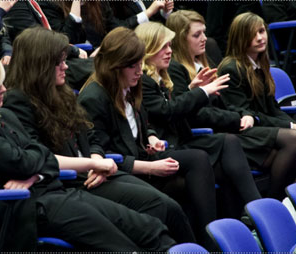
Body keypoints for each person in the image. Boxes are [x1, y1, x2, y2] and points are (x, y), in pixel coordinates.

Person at [0, 46, 178, 251]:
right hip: (25, 208)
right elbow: (23, 160)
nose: (4, 89)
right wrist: (34, 168)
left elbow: (36, 152)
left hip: (53, 194)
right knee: (122, 245)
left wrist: (33, 174)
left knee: (148, 228)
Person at [2, 26, 194, 244]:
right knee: (158, 210)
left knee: (168, 208)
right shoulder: (18, 102)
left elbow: (90, 135)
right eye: (59, 62)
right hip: (70, 183)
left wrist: (96, 158)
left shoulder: (60, 92)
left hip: (94, 174)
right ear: (40, 64)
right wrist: (92, 164)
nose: (66, 66)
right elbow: (39, 156)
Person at [79, 26, 225, 251]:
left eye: (140, 63)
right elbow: (102, 155)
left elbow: (140, 126)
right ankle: (202, 245)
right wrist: (150, 167)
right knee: (172, 202)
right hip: (119, 172)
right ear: (114, 66)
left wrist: (151, 138)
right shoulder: (94, 98)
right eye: (132, 65)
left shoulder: (129, 85)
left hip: (139, 158)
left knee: (199, 163)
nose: (139, 70)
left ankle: (209, 239)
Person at [165, 10, 296, 199]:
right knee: (294, 140)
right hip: (217, 135)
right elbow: (197, 114)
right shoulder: (177, 69)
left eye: (204, 33)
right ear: (181, 39)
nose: (205, 39)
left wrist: (244, 115)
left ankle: (278, 215)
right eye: (197, 35)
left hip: (231, 128)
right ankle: (266, 211)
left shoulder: (204, 63)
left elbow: (225, 104)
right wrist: (238, 117)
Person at [134, 22, 262, 213]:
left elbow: (172, 107)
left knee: (228, 142)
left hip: (180, 139)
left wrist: (190, 90)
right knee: (215, 162)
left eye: (170, 45)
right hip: (165, 146)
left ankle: (252, 212)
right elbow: (166, 111)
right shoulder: (143, 79)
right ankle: (248, 216)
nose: (169, 51)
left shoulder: (160, 76)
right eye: (163, 47)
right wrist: (201, 92)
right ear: (148, 49)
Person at [217, 12, 296, 185]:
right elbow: (248, 114)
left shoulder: (260, 66)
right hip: (251, 135)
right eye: (252, 34)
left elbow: (274, 109)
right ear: (240, 38)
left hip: (271, 129)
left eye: (261, 31)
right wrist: (292, 127)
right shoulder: (231, 69)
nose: (259, 38)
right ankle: (290, 201)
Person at [109, 0, 174, 29]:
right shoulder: (112, 4)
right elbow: (117, 28)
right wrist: (148, 12)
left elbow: (156, 19)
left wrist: (165, 12)